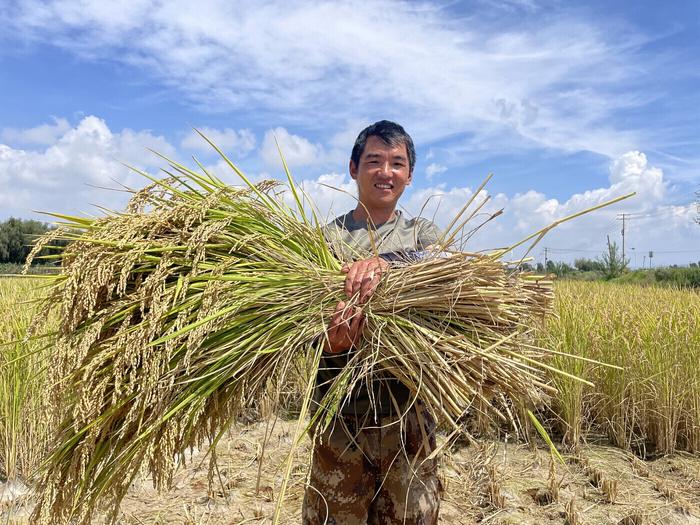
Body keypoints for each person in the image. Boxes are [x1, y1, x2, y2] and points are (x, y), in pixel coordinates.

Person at [302, 120, 442, 525]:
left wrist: (388, 263)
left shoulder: (421, 234)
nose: (386, 172)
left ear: (410, 176)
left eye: (397, 163)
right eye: (374, 161)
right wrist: (328, 341)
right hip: (339, 418)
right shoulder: (324, 241)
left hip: (409, 415)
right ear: (353, 168)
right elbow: (300, 328)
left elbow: (447, 266)